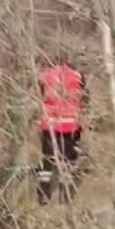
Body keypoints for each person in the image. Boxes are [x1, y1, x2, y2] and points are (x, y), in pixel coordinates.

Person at [36, 64, 84, 204]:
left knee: (48, 159)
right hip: (71, 124)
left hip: (50, 123)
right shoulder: (77, 76)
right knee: (68, 160)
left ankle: (43, 195)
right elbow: (83, 98)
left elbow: (40, 95)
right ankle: (66, 196)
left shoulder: (45, 74)